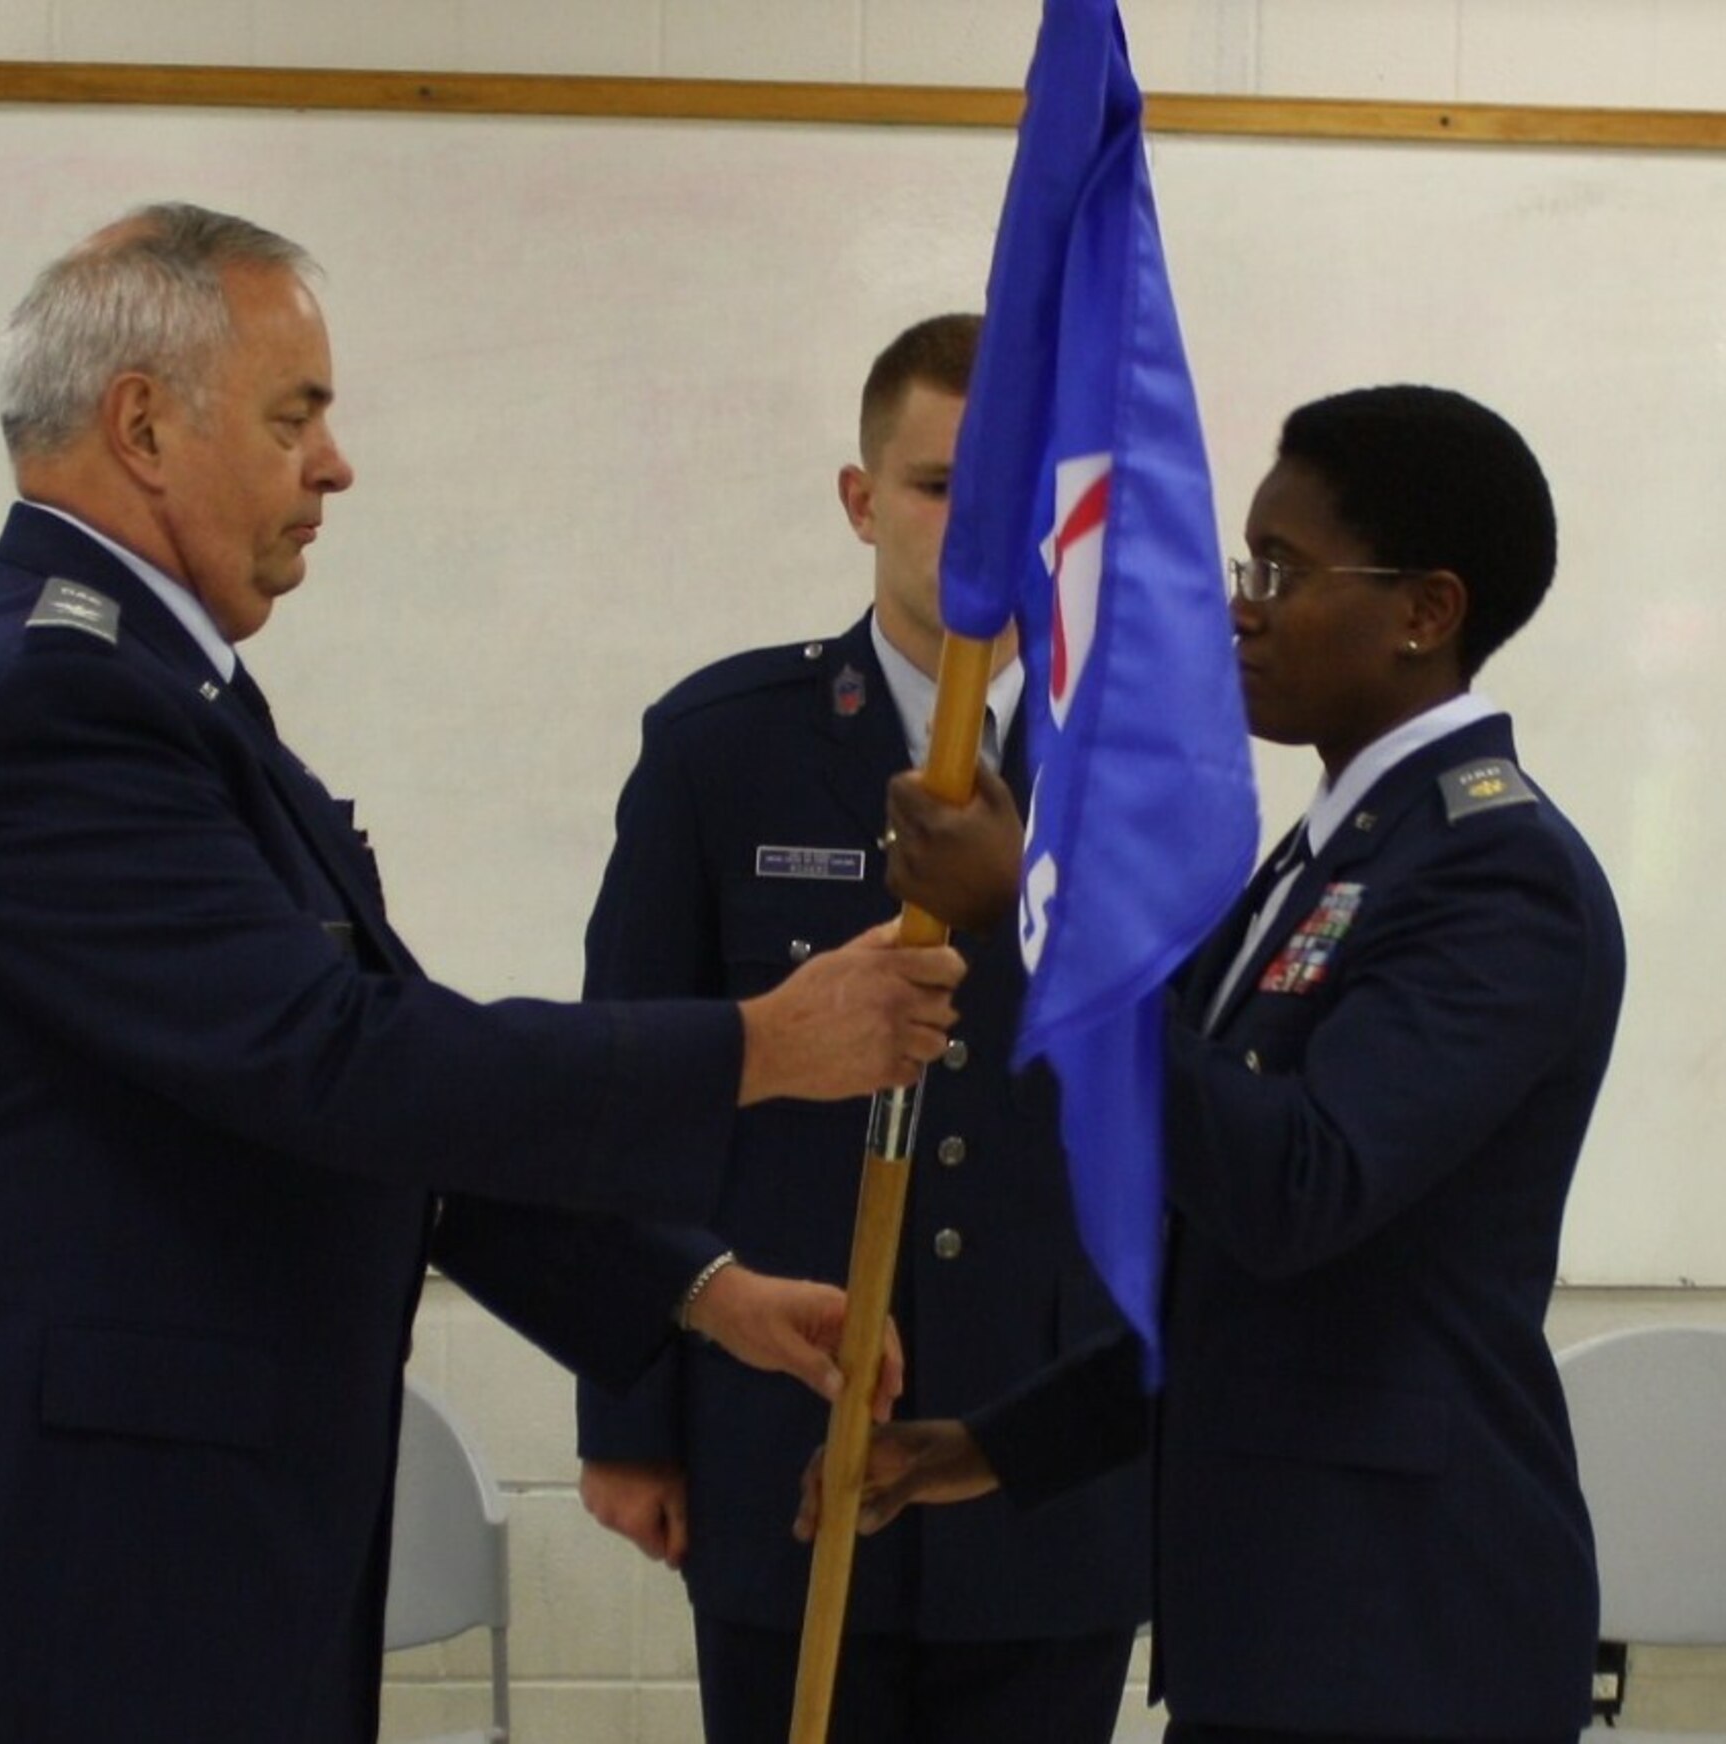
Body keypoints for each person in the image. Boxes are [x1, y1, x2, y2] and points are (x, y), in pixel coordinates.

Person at [0, 203, 967, 1744]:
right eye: (296, 418)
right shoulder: (48, 707)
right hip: (62, 1582)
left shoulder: (143, 686)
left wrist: (697, 1289)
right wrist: (760, 1043)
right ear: (143, 425)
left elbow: (352, 1104)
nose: (333, 465)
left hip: (156, 1567)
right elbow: (337, 1060)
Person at [803, 384, 1627, 1744]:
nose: (1240, 607)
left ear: (1425, 612)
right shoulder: (1329, 860)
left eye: (1283, 573)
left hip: (1408, 1640)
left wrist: (1031, 916)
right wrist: (1000, 1446)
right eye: (1249, 566)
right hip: (1285, 1633)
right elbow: (1226, 1281)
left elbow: (1298, 1189)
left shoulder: (1497, 874)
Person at [575, 314, 1148, 1744]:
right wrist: (628, 1419)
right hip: (780, 1429)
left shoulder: (1140, 773)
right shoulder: (725, 746)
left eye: (1014, 496)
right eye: (941, 486)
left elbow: (1171, 1113)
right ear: (861, 499)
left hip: (1044, 1454)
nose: (976, 529)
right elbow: (622, 1099)